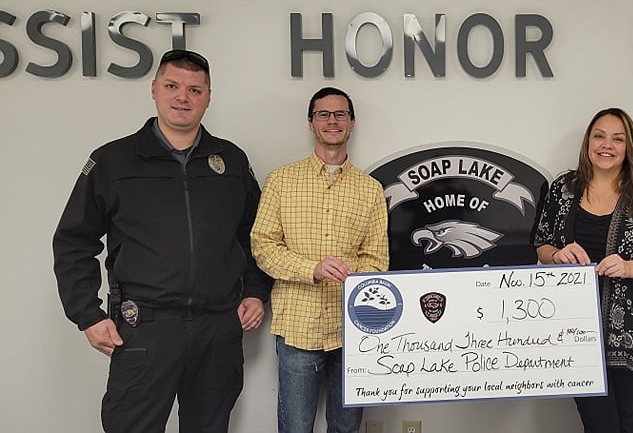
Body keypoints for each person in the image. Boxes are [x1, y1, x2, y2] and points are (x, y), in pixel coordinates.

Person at [52, 49, 273, 433]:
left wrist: (255, 291)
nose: (182, 97)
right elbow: (74, 241)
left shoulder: (231, 161)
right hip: (145, 328)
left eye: (194, 89)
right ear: (154, 90)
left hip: (217, 328)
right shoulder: (113, 161)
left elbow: (257, 235)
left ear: (208, 96)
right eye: (172, 86)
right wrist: (87, 314)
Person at [532, 108, 633, 433]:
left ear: (629, 147)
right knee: (598, 423)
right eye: (599, 135)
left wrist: (629, 267)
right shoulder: (563, 188)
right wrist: (558, 255)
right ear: (588, 141)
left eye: (618, 138)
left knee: (630, 422)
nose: (607, 145)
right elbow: (542, 243)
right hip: (575, 331)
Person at [250, 87, 389, 433]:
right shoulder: (281, 180)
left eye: (340, 114)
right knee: (296, 427)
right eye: (323, 114)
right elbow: (262, 246)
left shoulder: (370, 189)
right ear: (311, 123)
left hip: (353, 330)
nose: (332, 121)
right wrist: (310, 269)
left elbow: (377, 259)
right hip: (298, 329)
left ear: (352, 123)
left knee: (347, 427)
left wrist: (357, 275)